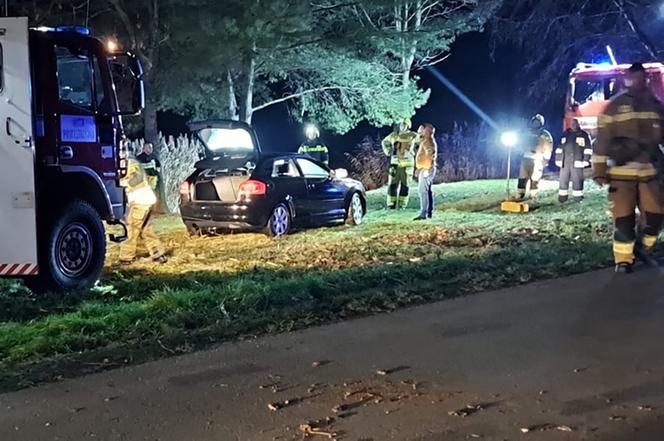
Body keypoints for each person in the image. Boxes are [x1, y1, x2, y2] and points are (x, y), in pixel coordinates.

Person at [593, 63, 664, 273]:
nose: (637, 82)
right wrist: (598, 170)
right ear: (626, 80)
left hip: (650, 173)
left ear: (646, 79)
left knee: (656, 216)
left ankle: (643, 248)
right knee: (623, 218)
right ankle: (623, 260)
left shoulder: (655, 105)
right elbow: (602, 142)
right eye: (633, 78)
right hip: (621, 174)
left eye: (641, 78)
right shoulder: (613, 107)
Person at [119, 157, 168, 265]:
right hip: (146, 200)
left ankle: (126, 257)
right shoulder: (130, 162)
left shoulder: (130, 163)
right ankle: (158, 253)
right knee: (146, 229)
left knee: (131, 229)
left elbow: (137, 178)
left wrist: (122, 181)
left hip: (140, 201)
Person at [382, 118, 418, 209]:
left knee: (405, 185)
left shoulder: (413, 135)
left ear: (408, 125)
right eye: (401, 124)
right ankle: (391, 204)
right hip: (395, 163)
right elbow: (385, 142)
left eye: (404, 124)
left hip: (408, 164)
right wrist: (388, 151)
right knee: (392, 184)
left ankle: (402, 205)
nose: (402, 126)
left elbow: (423, 141)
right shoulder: (394, 135)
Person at [516, 114, 554, 200]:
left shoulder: (545, 134)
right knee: (522, 177)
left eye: (537, 122)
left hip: (538, 158)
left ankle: (533, 195)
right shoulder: (526, 132)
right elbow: (520, 143)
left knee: (535, 178)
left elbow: (549, 147)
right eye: (534, 122)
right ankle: (520, 194)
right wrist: (519, 151)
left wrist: (546, 159)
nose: (535, 124)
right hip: (526, 157)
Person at [555, 119, 592, 202]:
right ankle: (562, 197)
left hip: (578, 161)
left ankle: (578, 198)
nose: (573, 125)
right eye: (572, 124)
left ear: (578, 124)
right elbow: (559, 148)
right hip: (565, 162)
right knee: (563, 179)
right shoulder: (565, 134)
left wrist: (585, 160)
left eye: (575, 123)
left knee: (577, 179)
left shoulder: (583, 135)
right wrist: (558, 159)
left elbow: (588, 149)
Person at [413, 123, 438, 220]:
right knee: (426, 191)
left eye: (421, 129)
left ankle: (424, 213)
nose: (418, 130)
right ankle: (427, 212)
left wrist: (426, 169)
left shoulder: (428, 141)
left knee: (423, 191)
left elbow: (430, 155)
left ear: (425, 130)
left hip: (426, 169)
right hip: (424, 169)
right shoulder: (425, 140)